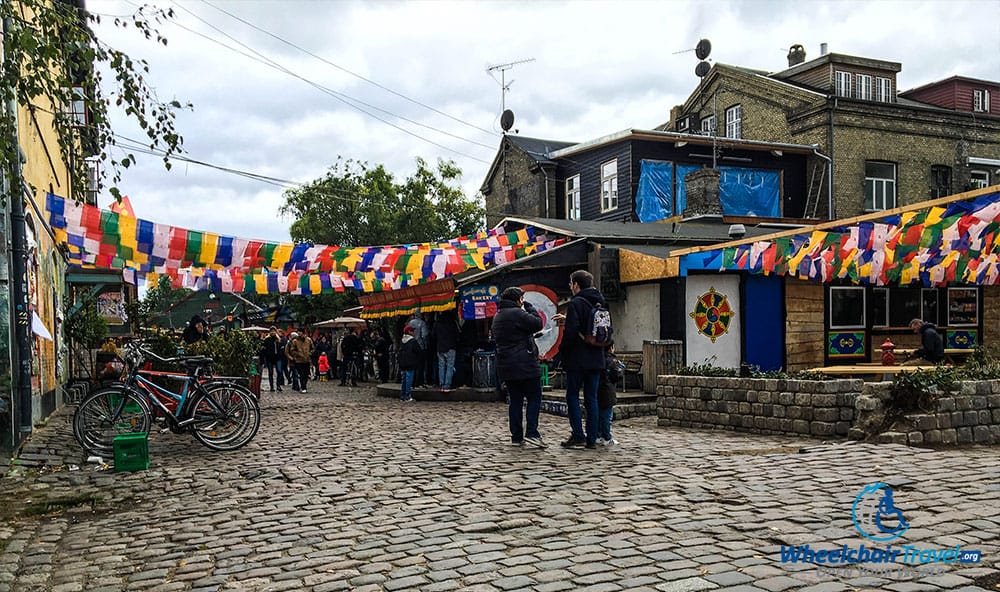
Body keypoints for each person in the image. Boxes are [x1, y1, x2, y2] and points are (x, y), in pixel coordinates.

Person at [553, 269, 608, 449]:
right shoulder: (600, 301)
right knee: (591, 397)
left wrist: (561, 351)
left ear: (576, 284)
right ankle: (592, 437)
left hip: (577, 358)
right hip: (596, 356)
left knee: (572, 396)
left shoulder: (576, 303)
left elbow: (571, 333)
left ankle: (578, 434)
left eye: (571, 283)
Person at [492, 286, 546, 448]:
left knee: (515, 401)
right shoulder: (517, 313)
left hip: (506, 364)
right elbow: (537, 323)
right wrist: (530, 308)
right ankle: (532, 433)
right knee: (534, 398)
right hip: (525, 363)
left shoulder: (498, 315)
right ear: (518, 299)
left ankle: (516, 436)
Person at [597, 347, 625, 446]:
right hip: (607, 391)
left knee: (599, 415)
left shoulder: (598, 358)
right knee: (606, 417)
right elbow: (616, 376)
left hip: (598, 390)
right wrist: (621, 368)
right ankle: (607, 437)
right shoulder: (611, 361)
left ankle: (598, 435)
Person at [433, 310, 460, 392]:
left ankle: (441, 384)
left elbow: (433, 335)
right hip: (450, 347)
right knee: (449, 366)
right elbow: (457, 334)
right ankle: (447, 385)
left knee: (441, 366)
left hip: (440, 347)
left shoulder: (437, 323)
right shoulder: (452, 323)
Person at [397, 325, 422, 402]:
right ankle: (408, 396)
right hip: (410, 363)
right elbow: (418, 350)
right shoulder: (413, 341)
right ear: (409, 332)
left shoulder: (402, 340)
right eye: (412, 331)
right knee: (409, 380)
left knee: (404, 380)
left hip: (403, 363)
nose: (413, 332)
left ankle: (403, 395)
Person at [406, 311, 430, 386]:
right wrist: (425, 345)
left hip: (411, 346)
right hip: (420, 346)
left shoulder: (410, 322)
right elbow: (424, 335)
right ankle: (419, 382)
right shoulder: (422, 323)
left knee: (413, 365)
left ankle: (412, 382)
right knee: (420, 366)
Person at [261, 326, 284, 392]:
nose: (273, 332)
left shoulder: (278, 339)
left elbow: (281, 348)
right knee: (270, 373)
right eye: (271, 331)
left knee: (279, 372)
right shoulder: (267, 339)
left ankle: (278, 385)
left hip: (278, 358)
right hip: (269, 358)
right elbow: (264, 349)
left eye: (274, 331)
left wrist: (280, 354)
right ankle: (272, 386)